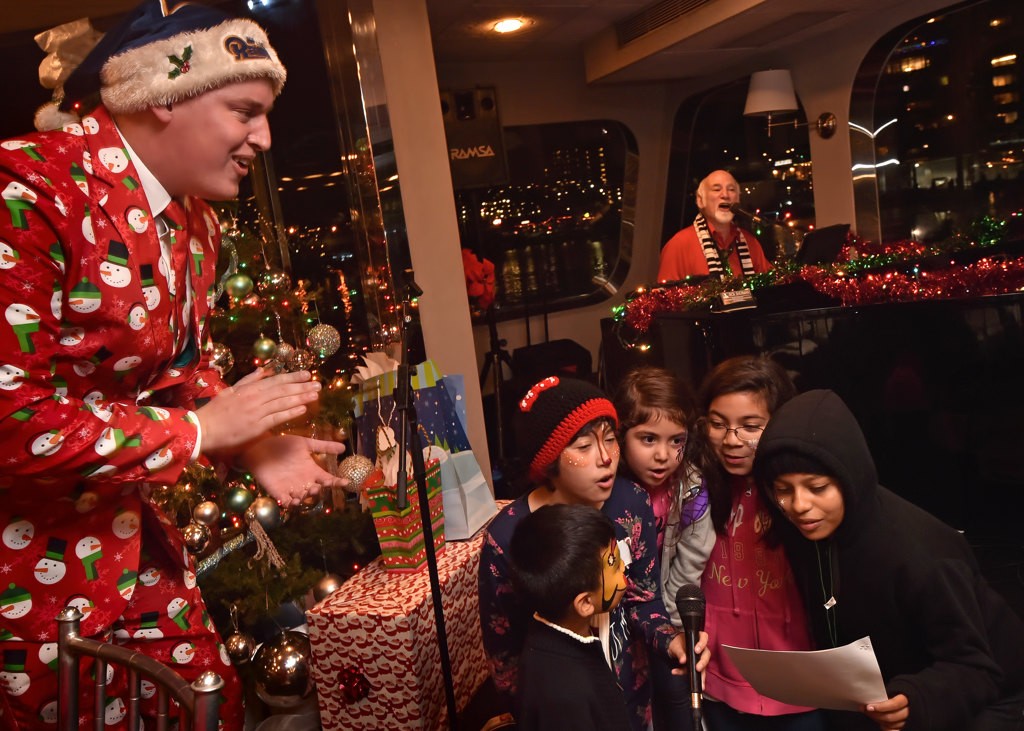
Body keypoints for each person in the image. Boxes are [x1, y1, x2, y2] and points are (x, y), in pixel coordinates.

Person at [0, 3, 346, 728]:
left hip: (138, 550)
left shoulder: (196, 224)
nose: (266, 137)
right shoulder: (28, 193)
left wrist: (251, 441)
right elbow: (10, 417)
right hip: (29, 580)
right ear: (161, 95)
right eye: (245, 111)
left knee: (208, 706)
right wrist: (196, 435)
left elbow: (174, 371)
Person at [755, 389, 1024, 731]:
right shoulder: (805, 529)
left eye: (817, 487)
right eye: (783, 490)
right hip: (879, 693)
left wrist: (915, 698)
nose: (799, 505)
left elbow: (977, 668)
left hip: (997, 694)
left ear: (850, 478)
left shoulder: (919, 554)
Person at [478, 376, 709, 731]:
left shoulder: (631, 502)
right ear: (550, 460)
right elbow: (505, 651)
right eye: (583, 446)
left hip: (629, 696)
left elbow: (644, 598)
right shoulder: (509, 536)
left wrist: (671, 641)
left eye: (611, 441)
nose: (605, 458)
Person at [688, 356, 824, 730]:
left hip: (800, 684)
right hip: (719, 679)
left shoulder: (800, 492)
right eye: (718, 425)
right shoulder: (695, 491)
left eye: (750, 427)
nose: (731, 440)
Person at [614, 365, 713, 731]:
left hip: (665, 613)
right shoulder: (608, 491)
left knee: (676, 688)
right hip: (617, 617)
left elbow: (692, 561)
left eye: (676, 441)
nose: (664, 455)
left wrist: (667, 632)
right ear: (622, 436)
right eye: (648, 439)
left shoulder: (690, 488)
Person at [508, 503, 633, 731]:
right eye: (613, 566)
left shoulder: (549, 635)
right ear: (585, 603)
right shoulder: (565, 696)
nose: (624, 567)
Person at [657, 170, 771, 283]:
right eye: (717, 189)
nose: (725, 195)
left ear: (737, 200)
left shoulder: (750, 242)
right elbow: (665, 299)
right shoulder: (679, 244)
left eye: (731, 190)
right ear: (700, 200)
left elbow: (770, 286)